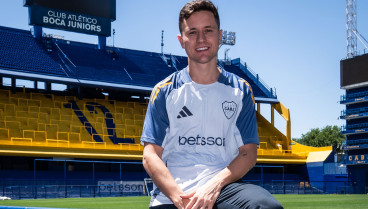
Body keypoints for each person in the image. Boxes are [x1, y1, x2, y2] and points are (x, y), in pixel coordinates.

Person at [141, 0, 284, 208]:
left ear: (219, 35)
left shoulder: (241, 90)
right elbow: (150, 155)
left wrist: (213, 186)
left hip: (223, 189)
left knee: (266, 206)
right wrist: (179, 199)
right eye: (192, 32)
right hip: (172, 194)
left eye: (208, 30)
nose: (201, 39)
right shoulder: (164, 91)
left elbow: (248, 153)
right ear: (181, 40)